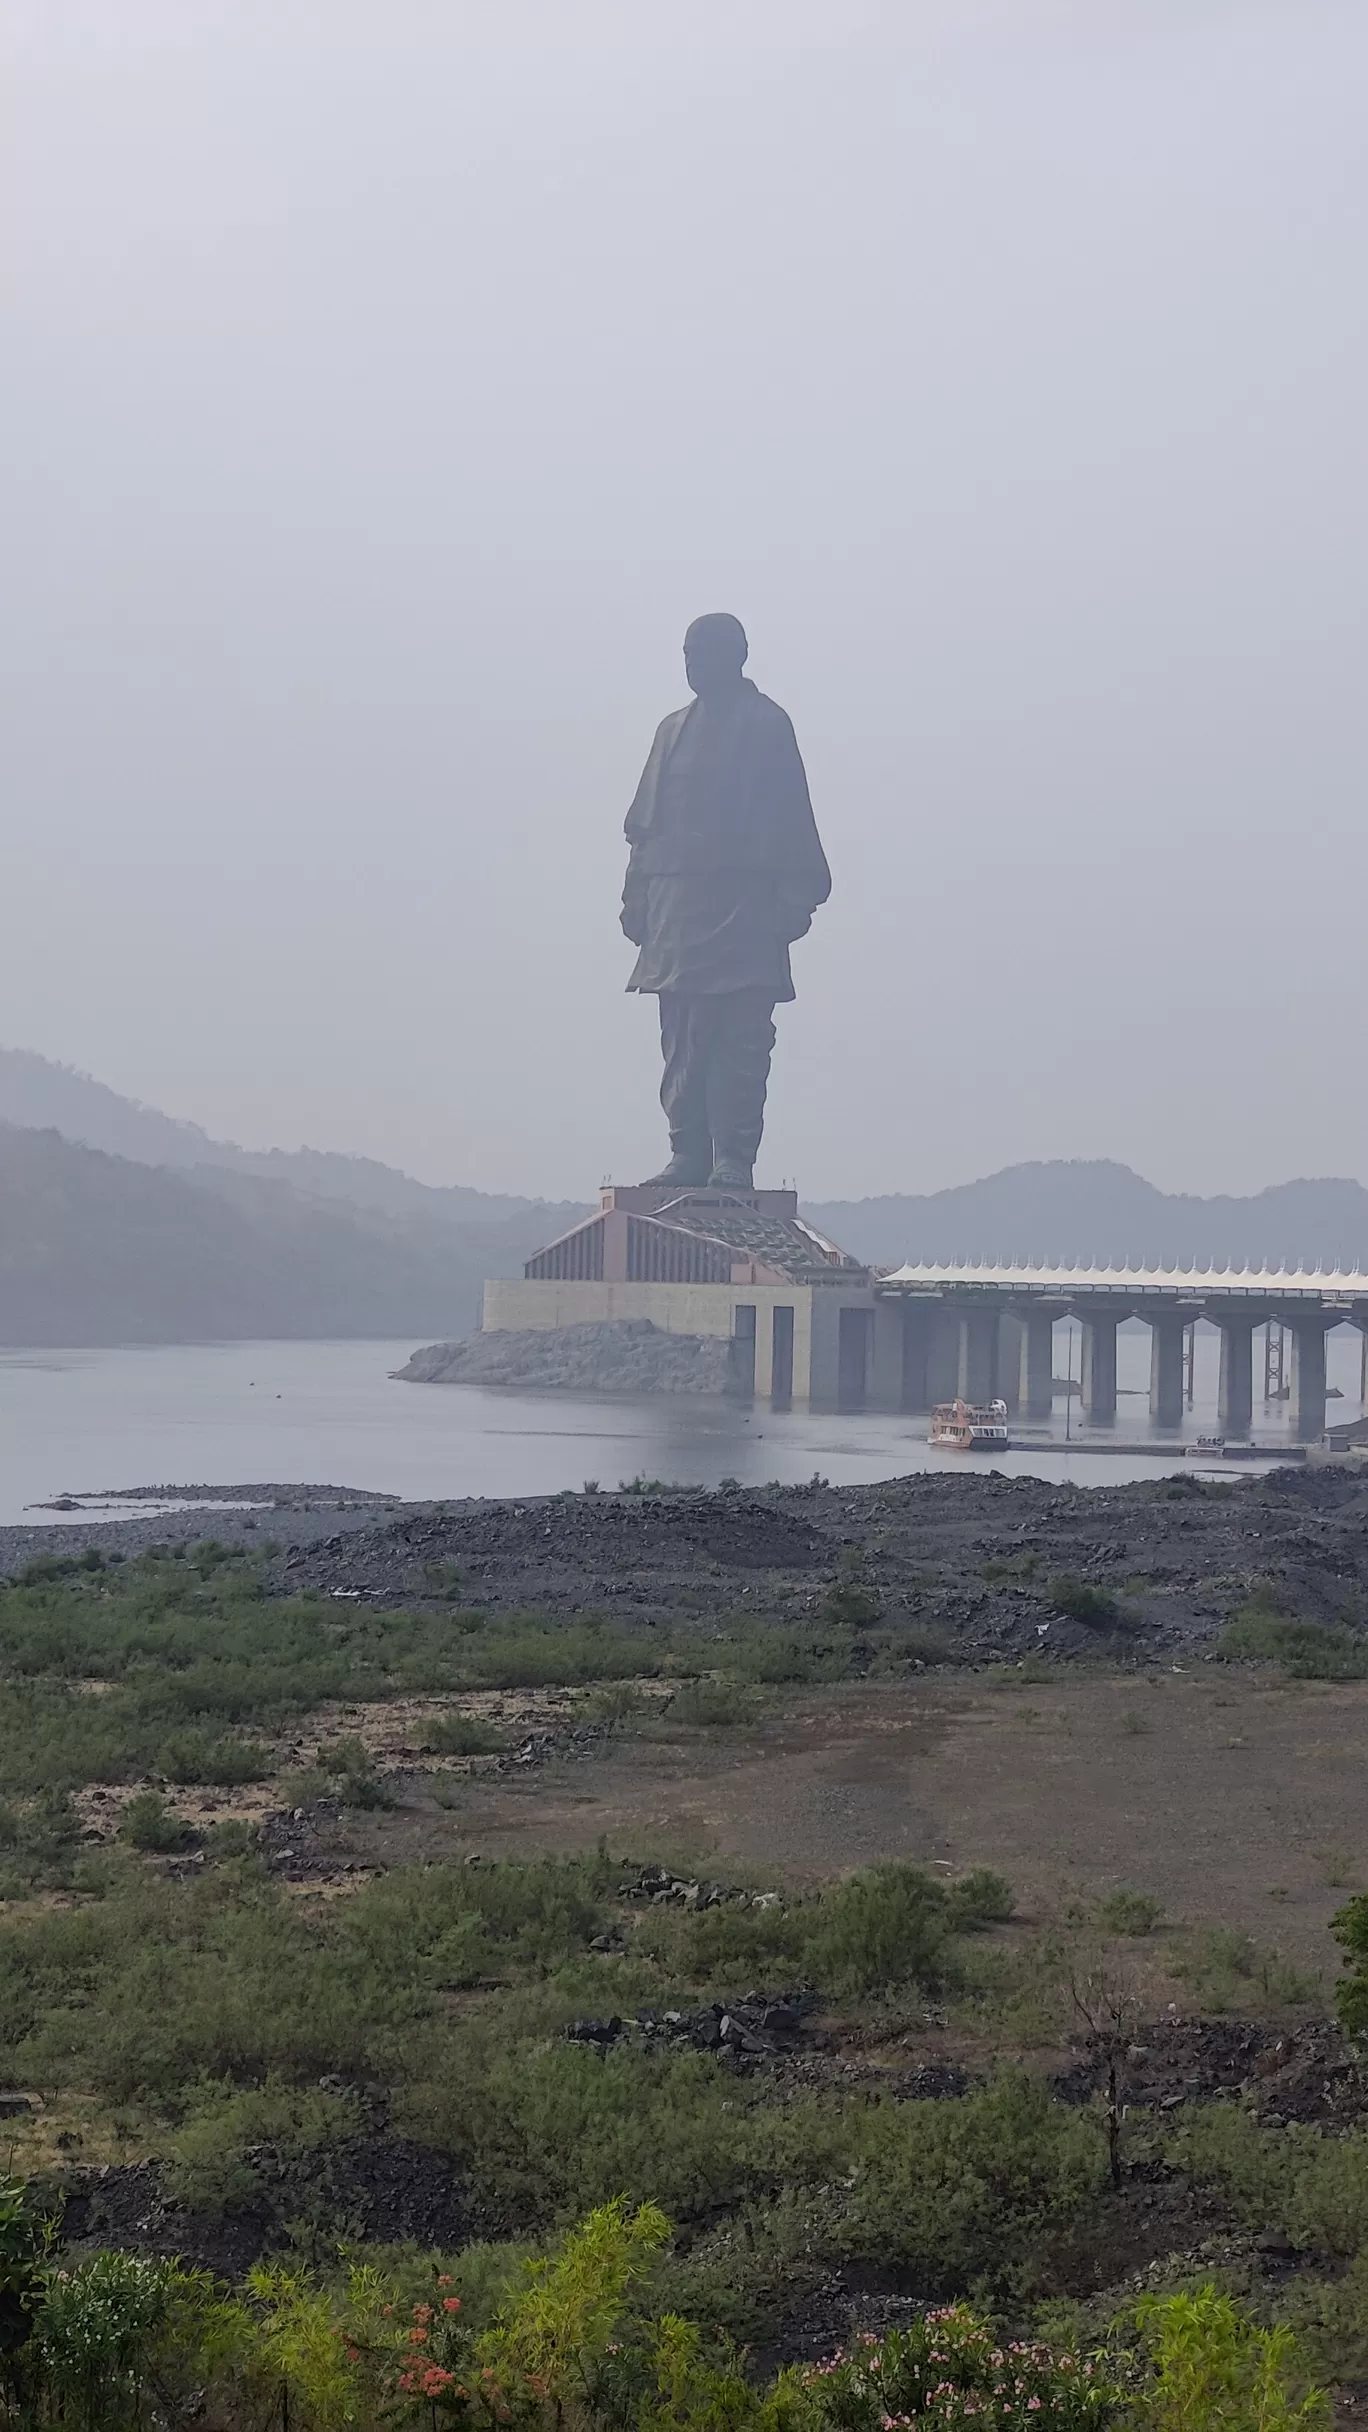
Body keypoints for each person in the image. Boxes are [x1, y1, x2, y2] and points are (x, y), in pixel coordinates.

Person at [621, 613, 830, 1188]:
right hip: (676, 905)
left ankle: (732, 1159)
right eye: (687, 653)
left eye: (704, 652)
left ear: (737, 655)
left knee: (740, 1037)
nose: (693, 664)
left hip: (745, 905)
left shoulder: (767, 724)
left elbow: (792, 814)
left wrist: (793, 899)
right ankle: (687, 1150)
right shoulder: (671, 730)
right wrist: (636, 892)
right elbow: (645, 824)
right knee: (682, 1034)